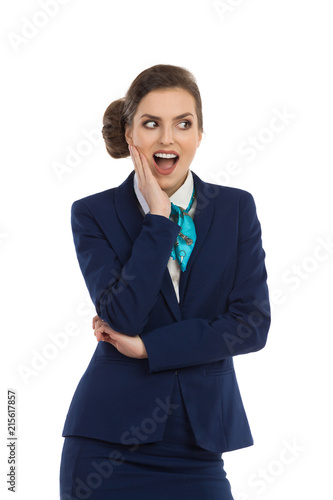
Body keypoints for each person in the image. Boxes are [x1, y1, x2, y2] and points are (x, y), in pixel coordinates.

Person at [59, 64, 271, 500]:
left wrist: (150, 347)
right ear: (130, 133)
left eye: (183, 124)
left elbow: (252, 324)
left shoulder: (234, 209)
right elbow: (123, 314)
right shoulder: (93, 213)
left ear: (199, 134)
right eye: (151, 124)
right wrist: (158, 218)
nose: (168, 138)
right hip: (106, 448)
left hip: (200, 445)